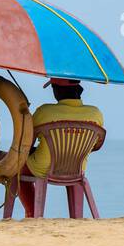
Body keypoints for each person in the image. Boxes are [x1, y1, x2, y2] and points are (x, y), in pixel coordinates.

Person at [17, 78, 104, 217]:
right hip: (77, 168)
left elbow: (27, 143)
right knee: (72, 166)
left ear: (56, 91)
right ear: (78, 90)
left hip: (44, 168)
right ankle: (77, 215)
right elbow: (94, 146)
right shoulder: (95, 114)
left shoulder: (45, 111)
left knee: (16, 168)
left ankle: (32, 213)